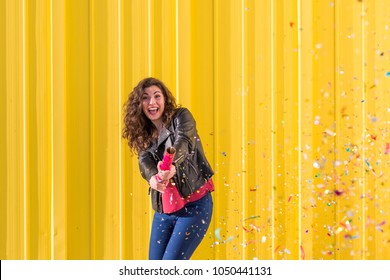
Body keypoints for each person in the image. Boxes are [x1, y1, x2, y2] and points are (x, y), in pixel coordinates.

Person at [122, 77, 215, 260]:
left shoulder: (181, 117)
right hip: (164, 210)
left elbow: (184, 142)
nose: (152, 102)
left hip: (194, 206)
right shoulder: (143, 132)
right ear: (139, 104)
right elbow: (144, 161)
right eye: (145, 98)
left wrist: (172, 167)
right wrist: (153, 178)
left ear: (165, 100)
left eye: (157, 96)